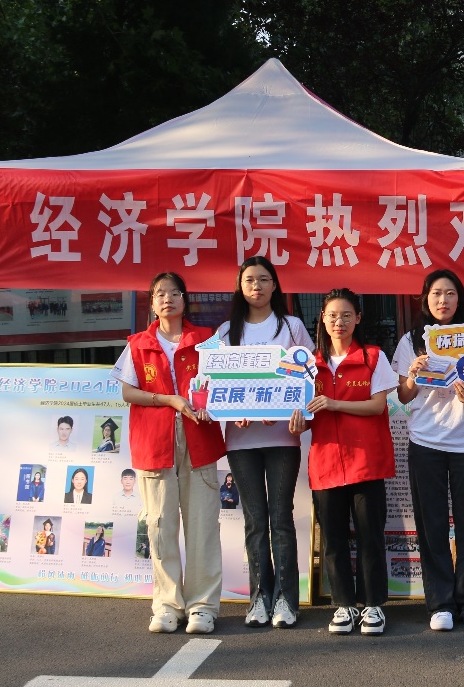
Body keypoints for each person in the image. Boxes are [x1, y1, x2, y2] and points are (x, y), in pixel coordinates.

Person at [112, 272, 226, 636]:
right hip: (155, 441)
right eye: (160, 293)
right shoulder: (138, 344)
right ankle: (166, 605)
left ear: (184, 300)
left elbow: (224, 383)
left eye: (175, 293)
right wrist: (168, 400)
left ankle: (202, 606)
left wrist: (213, 406)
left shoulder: (207, 340)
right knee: (159, 526)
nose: (168, 299)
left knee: (202, 524)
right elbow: (128, 392)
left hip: (199, 436)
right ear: (152, 302)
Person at [214, 256, 314, 629]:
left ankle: (286, 599)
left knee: (280, 518)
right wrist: (232, 409)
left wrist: (288, 408)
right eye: (249, 280)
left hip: (282, 437)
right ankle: (259, 597)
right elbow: (215, 381)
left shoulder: (291, 327)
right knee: (255, 520)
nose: (256, 286)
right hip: (241, 440)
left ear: (275, 285)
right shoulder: (227, 331)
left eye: (263, 279)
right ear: (240, 287)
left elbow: (309, 374)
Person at [392, 269, 464, 632]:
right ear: (425, 298)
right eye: (436, 293)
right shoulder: (411, 340)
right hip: (425, 442)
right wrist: (412, 375)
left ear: (459, 299)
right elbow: (403, 395)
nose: (443, 300)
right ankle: (440, 603)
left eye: (450, 293)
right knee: (432, 524)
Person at [304, 287, 398, 636]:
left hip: (366, 461)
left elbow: (377, 406)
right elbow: (303, 412)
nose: (339, 322)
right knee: (334, 538)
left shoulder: (373, 357)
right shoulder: (308, 364)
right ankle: (343, 604)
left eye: (346, 315)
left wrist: (334, 404)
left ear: (358, 318)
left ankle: (372, 604)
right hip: (325, 462)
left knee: (370, 537)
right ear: (322, 319)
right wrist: (298, 420)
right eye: (332, 316)